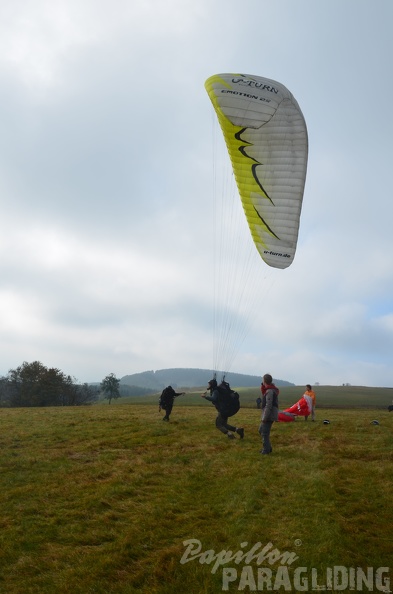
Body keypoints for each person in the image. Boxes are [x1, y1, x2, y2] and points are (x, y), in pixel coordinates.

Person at [259, 373, 279, 455]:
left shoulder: (270, 391)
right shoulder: (269, 390)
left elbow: (268, 405)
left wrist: (264, 417)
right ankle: (268, 447)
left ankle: (266, 450)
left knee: (264, 432)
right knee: (261, 430)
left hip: (269, 415)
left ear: (265, 381)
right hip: (268, 414)